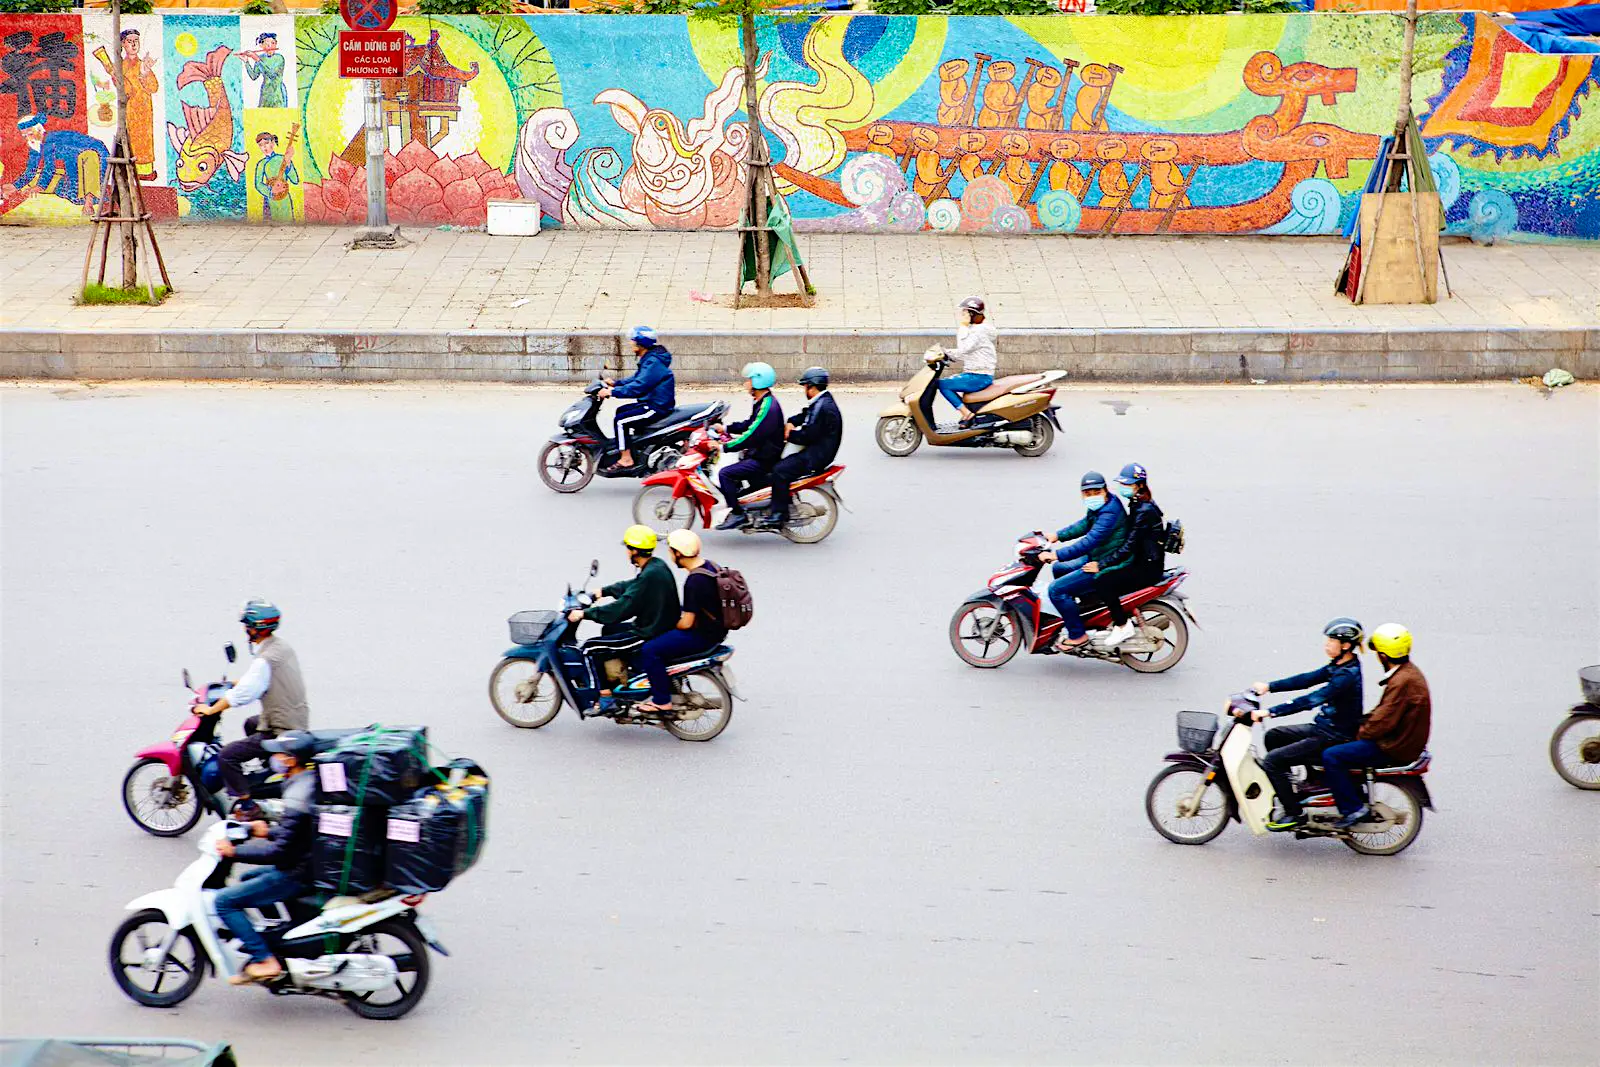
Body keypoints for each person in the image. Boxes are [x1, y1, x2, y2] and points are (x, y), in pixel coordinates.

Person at [213, 730, 317, 985]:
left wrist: (235, 852)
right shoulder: (307, 782)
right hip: (306, 861)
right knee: (249, 877)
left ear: (291, 760)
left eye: (280, 753)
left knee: (224, 901)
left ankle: (264, 959)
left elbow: (279, 851)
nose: (275, 757)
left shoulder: (298, 794)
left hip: (297, 872)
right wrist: (266, 829)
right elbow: (298, 832)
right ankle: (280, 938)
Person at [1247, 618, 1366, 832]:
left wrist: (1270, 711)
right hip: (1324, 729)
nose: (1326, 645)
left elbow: (1312, 699)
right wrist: (1269, 687)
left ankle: (1294, 813)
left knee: (1273, 761)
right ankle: (1300, 786)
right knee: (1274, 736)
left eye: (1331, 641)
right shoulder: (1339, 665)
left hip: (1333, 736)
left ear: (1345, 646)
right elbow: (1307, 679)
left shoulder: (1346, 676)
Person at [200, 600, 310, 815]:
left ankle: (248, 804)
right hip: (296, 717)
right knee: (251, 723)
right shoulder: (281, 647)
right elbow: (262, 681)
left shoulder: (265, 659)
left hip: (283, 728)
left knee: (227, 756)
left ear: (256, 628)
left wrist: (211, 709)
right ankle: (266, 772)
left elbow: (244, 695)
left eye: (247, 625)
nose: (244, 629)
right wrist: (234, 683)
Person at [1320, 624, 1431, 829]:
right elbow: (1384, 713)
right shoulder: (1408, 673)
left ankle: (1352, 809)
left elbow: (1383, 720)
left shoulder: (1402, 682)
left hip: (1394, 745)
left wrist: (1360, 732)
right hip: (1401, 738)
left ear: (1382, 655)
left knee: (1332, 755)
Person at [568, 525, 680, 713]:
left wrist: (585, 614)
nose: (627, 552)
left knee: (589, 648)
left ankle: (605, 698)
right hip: (659, 624)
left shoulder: (649, 575)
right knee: (610, 630)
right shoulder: (656, 566)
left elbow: (622, 608)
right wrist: (602, 591)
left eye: (628, 548)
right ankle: (624, 677)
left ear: (635, 551)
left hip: (647, 631)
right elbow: (632, 586)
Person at [632, 530, 728, 713]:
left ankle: (661, 701)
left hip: (701, 636)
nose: (670, 555)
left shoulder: (694, 581)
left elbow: (687, 623)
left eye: (671, 551)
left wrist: (670, 623)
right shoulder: (710, 566)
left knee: (650, 649)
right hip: (716, 631)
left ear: (678, 553)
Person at [1039, 471, 1129, 650]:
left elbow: (1090, 541)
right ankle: (1083, 611)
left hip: (1104, 563)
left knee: (1056, 590)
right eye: (1088, 494)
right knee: (1059, 569)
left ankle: (1078, 635)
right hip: (1098, 554)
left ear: (1105, 490)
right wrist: (1057, 535)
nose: (1092, 496)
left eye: (1097, 492)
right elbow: (1084, 524)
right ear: (1082, 494)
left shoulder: (1110, 512)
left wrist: (1056, 554)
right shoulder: (1102, 506)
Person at [1090, 462, 1164, 648]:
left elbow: (1129, 546)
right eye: (1122, 484)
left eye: (1128, 484)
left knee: (1103, 581)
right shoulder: (1140, 503)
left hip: (1147, 568)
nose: (1123, 488)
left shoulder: (1144, 510)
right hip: (1143, 561)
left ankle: (1122, 625)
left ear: (1139, 485)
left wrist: (1102, 564)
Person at [760, 366, 842, 531]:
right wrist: (791, 421)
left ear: (812, 387)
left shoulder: (824, 408)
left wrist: (788, 435)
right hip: (817, 449)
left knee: (780, 470)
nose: (804, 390)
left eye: (805, 386)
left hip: (817, 455)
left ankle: (779, 514)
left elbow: (808, 435)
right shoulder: (821, 401)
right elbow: (806, 414)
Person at [714, 362, 785, 531]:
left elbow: (751, 435)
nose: (746, 384)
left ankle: (738, 514)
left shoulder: (768, 407)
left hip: (764, 458)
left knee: (725, 474)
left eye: (749, 380)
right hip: (760, 452)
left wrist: (724, 447)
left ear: (758, 382)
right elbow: (749, 424)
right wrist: (726, 429)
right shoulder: (763, 401)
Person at [600, 327, 676, 475]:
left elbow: (639, 387)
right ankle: (638, 446)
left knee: (621, 421)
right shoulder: (651, 358)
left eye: (633, 341)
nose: (630, 343)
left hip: (656, 407)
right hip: (650, 401)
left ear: (641, 344)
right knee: (621, 411)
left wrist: (612, 392)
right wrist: (616, 383)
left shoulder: (653, 362)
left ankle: (626, 459)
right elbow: (637, 378)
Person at [5, 114, 108, 206]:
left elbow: (49, 168)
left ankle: (89, 201)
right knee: (61, 190)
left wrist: (39, 187)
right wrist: (15, 186)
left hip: (96, 156)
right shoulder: (35, 143)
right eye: (25, 136)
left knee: (77, 194)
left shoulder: (50, 141)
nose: (28, 138)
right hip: (73, 162)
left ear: (40, 131)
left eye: (30, 134)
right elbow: (31, 169)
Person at [938, 297, 997, 424]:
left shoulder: (978, 331)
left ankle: (966, 413)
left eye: (964, 313)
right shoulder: (978, 330)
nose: (961, 316)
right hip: (976, 374)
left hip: (979, 376)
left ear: (971, 314)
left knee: (943, 384)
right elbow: (965, 352)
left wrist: (963, 326)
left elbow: (964, 348)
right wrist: (945, 353)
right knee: (949, 382)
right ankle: (968, 413)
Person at [251, 132, 299, 224]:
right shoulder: (261, 164)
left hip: (284, 199)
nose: (264, 147)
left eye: (266, 143)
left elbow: (295, 180)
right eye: (260, 145)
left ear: (272, 143)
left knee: (288, 221)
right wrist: (270, 192)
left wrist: (288, 162)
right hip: (270, 199)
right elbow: (258, 184)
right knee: (271, 222)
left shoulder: (283, 158)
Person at [241, 33, 287, 109]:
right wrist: (246, 62)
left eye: (273, 43)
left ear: (276, 44)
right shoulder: (261, 58)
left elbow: (272, 75)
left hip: (277, 94)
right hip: (265, 93)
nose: (270, 46)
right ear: (261, 46)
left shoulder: (279, 58)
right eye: (267, 44)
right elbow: (254, 76)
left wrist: (256, 59)